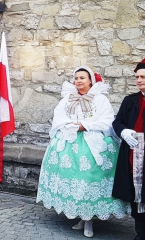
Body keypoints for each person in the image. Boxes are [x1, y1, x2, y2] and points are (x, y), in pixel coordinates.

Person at [36, 66, 130, 238]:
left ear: (90, 81)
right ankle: (80, 216)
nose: (78, 81)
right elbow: (58, 118)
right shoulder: (67, 99)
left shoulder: (100, 99)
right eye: (76, 78)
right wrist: (69, 125)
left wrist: (85, 125)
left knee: (88, 180)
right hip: (70, 142)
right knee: (74, 181)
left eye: (82, 78)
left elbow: (108, 121)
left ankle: (89, 220)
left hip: (94, 143)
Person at [113, 58, 145, 240]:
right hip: (132, 158)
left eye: (142, 77)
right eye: (137, 77)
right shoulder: (130, 100)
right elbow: (117, 122)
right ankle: (140, 232)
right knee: (136, 195)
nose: (139, 80)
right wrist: (123, 131)